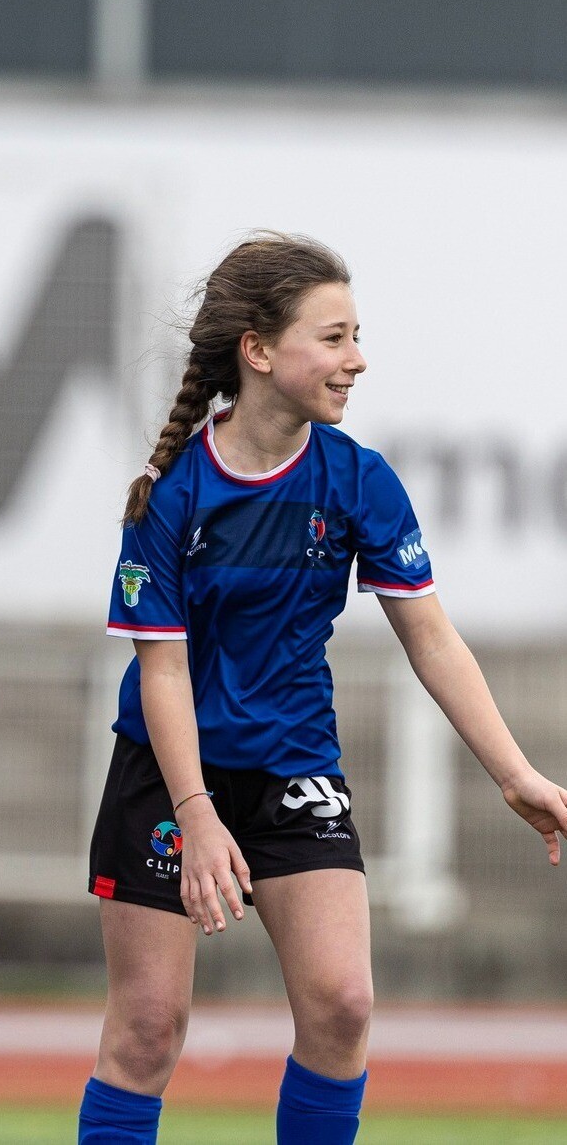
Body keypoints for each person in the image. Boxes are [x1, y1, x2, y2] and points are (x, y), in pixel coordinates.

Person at [79, 232, 567, 1145]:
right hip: (169, 775)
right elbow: (162, 669)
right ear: (259, 351)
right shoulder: (171, 494)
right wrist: (197, 814)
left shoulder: (357, 479)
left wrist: (516, 774)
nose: (357, 359)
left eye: (357, 336)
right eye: (335, 337)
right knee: (147, 1029)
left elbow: (432, 637)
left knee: (343, 1006)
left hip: (295, 767)